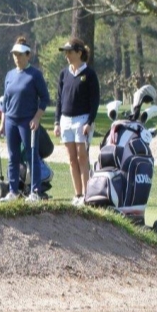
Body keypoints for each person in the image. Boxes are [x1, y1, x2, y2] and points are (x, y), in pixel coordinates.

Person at [0, 36, 51, 203]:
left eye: (20, 55)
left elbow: (44, 98)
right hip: (11, 121)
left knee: (31, 156)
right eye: (15, 55)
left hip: (27, 121)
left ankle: (35, 191)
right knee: (13, 156)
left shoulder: (34, 75)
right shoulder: (9, 75)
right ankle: (13, 191)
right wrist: (2, 125)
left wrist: (37, 118)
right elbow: (6, 102)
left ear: (28, 55)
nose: (17, 58)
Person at [53, 38, 100, 206]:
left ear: (79, 53)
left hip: (82, 119)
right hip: (66, 120)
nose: (66, 55)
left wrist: (89, 121)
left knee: (82, 157)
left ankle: (87, 195)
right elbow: (59, 99)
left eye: (69, 52)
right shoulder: (64, 74)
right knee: (72, 159)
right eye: (65, 52)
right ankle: (78, 194)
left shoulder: (89, 74)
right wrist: (57, 122)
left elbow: (95, 100)